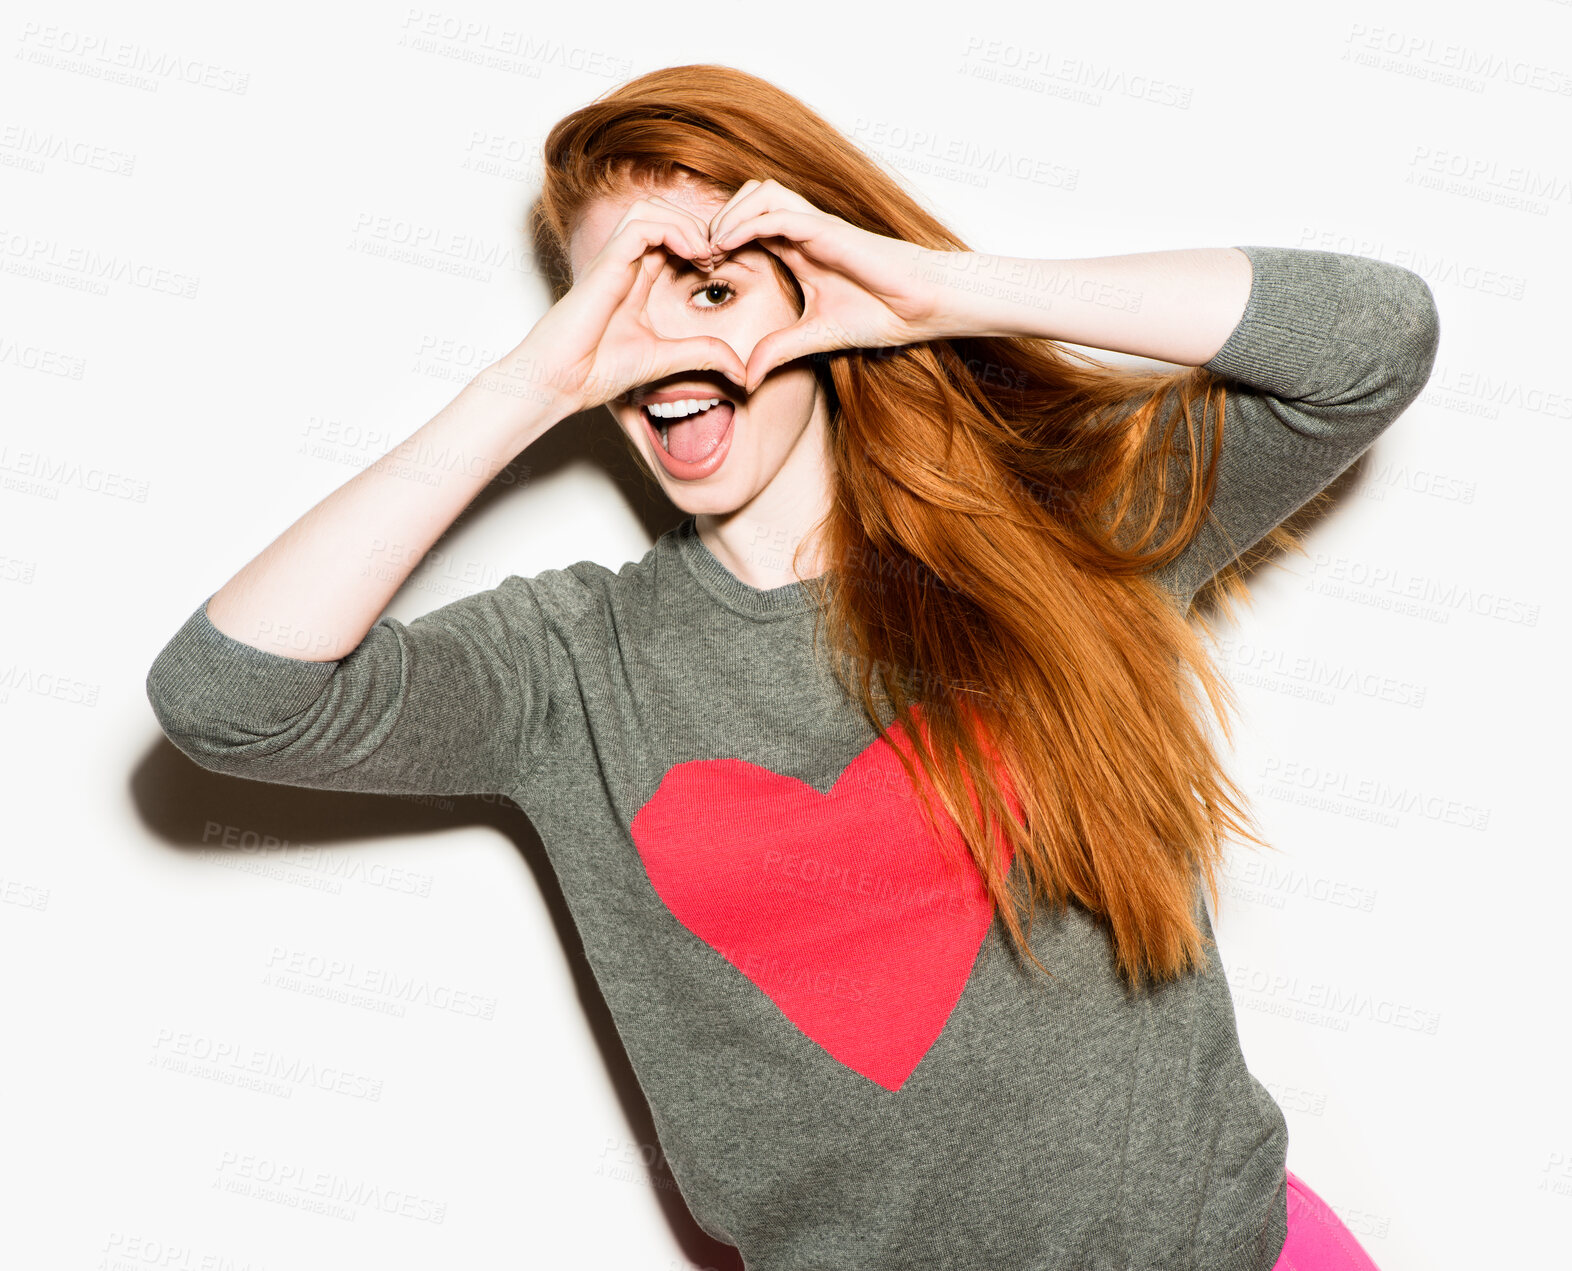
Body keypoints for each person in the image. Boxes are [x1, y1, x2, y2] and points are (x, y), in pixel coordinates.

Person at [146, 64, 1436, 1271]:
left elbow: (1375, 341)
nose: (665, 354)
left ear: (819, 294)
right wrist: (533, 382)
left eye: (708, 290)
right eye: (615, 305)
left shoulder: (1060, 533)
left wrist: (944, 290)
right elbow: (226, 698)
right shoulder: (568, 666)